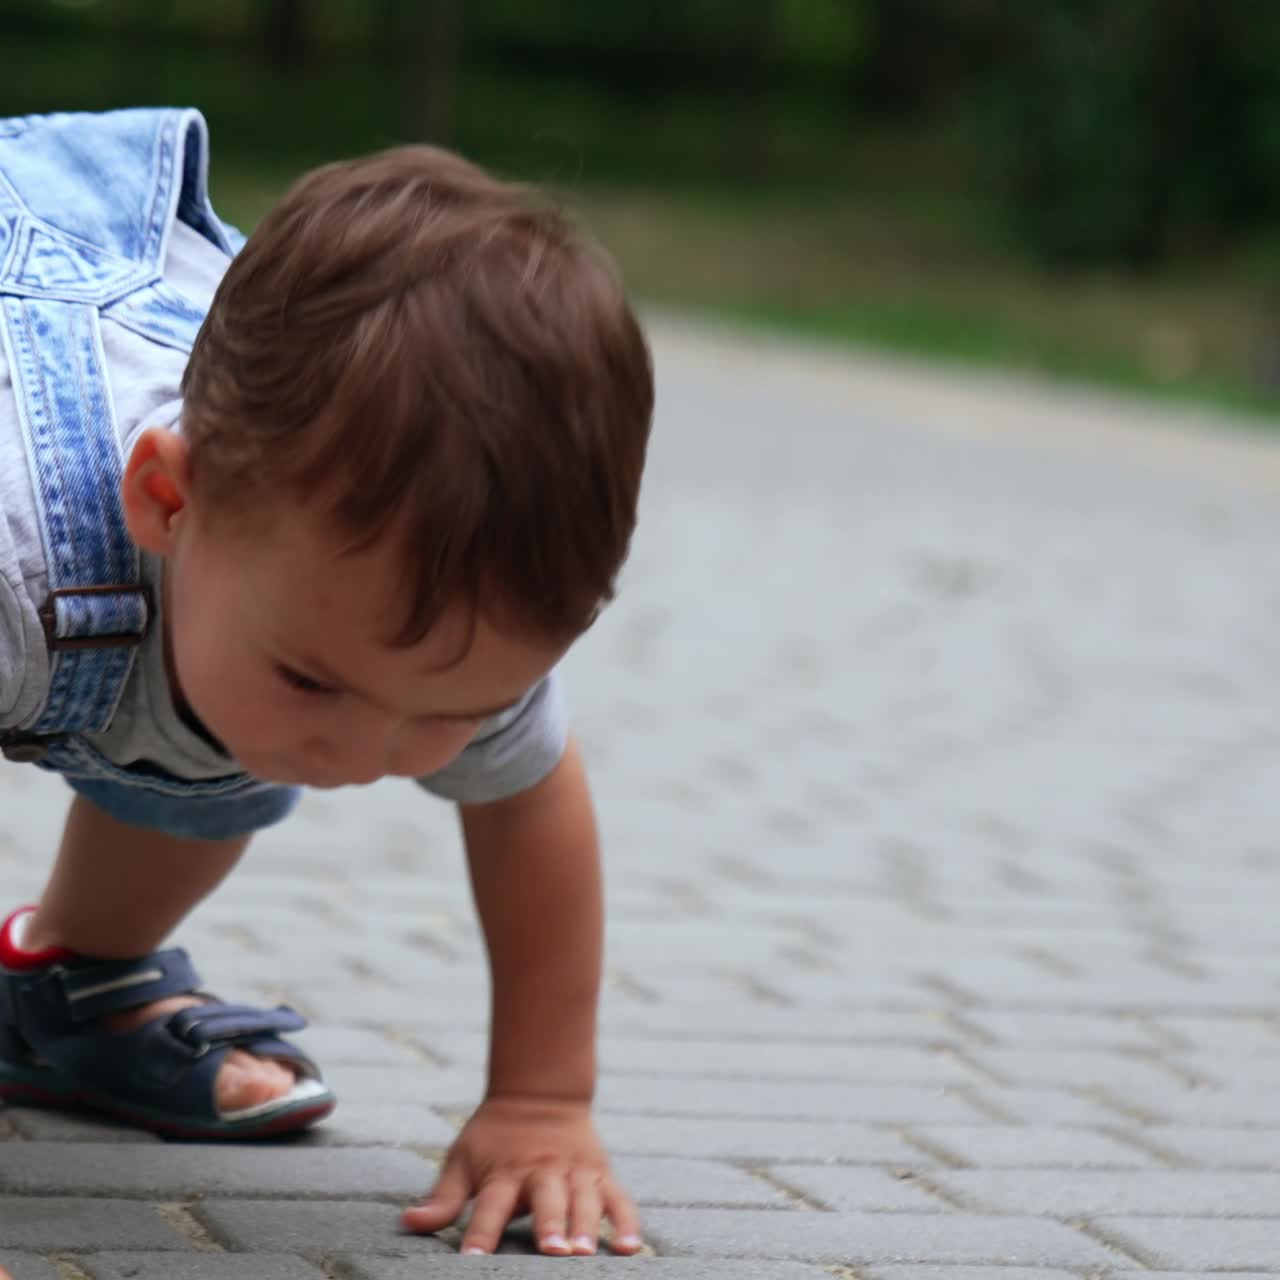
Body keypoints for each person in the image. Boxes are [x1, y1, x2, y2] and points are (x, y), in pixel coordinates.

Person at [0, 108, 653, 1258]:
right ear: (169, 499)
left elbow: (531, 798)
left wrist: (540, 1100)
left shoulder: (427, 618)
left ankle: (64, 979)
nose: (366, 756)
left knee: (219, 746)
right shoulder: (21, 543)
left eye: (447, 711)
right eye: (317, 680)